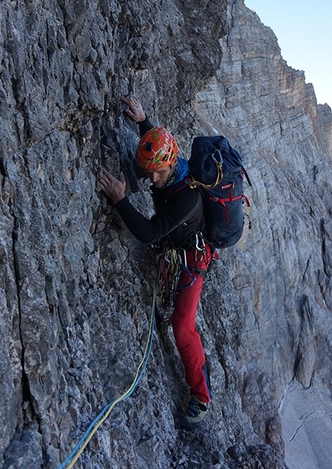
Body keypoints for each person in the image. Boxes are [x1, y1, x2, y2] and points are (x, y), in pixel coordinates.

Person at [99, 97, 214, 430]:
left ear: (170, 165)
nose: (151, 179)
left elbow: (149, 232)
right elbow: (156, 149)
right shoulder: (169, 162)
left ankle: (201, 396)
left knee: (182, 327)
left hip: (194, 258)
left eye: (156, 174)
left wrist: (120, 200)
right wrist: (143, 121)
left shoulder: (186, 196)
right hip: (176, 244)